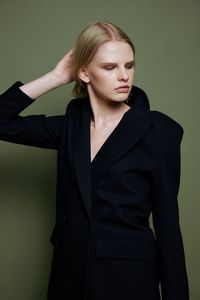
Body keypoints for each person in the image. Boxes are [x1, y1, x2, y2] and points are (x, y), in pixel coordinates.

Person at [0, 22, 189, 300]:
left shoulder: (160, 132)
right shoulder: (69, 128)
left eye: (129, 65)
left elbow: (169, 229)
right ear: (85, 73)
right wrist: (54, 77)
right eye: (110, 67)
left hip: (128, 280)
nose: (124, 76)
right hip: (69, 275)